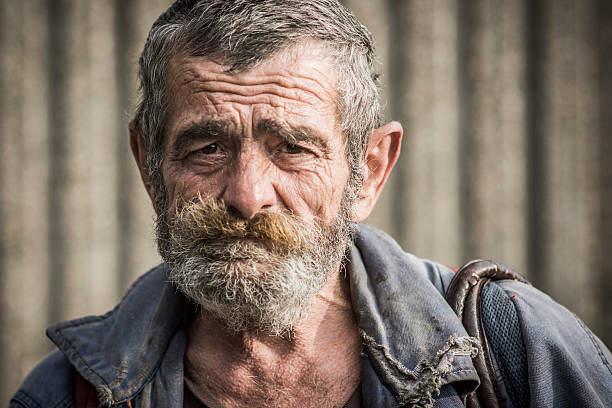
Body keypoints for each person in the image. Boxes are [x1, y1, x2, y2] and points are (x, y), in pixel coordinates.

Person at [11, 1, 612, 407]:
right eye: (206, 148)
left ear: (369, 171)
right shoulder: (68, 394)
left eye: (293, 148)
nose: (247, 196)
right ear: (148, 164)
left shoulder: (515, 348)